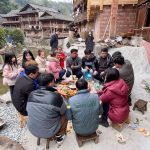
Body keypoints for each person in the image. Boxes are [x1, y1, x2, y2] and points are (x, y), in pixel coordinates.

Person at [27, 73, 67, 144]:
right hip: (49, 131)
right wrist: (62, 98)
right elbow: (63, 111)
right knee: (66, 114)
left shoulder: (32, 94)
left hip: (32, 129)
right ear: (50, 83)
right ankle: (60, 136)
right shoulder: (56, 96)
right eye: (53, 81)